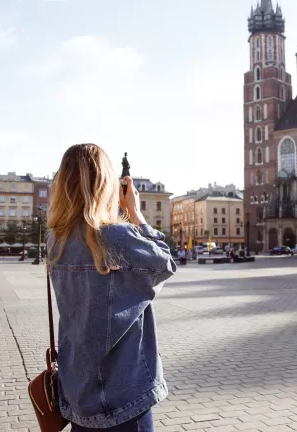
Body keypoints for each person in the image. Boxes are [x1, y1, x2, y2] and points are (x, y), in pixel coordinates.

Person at [47, 144, 177, 431]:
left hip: (78, 392)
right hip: (125, 395)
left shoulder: (55, 240)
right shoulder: (116, 236)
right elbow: (164, 263)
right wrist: (134, 212)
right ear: (105, 184)